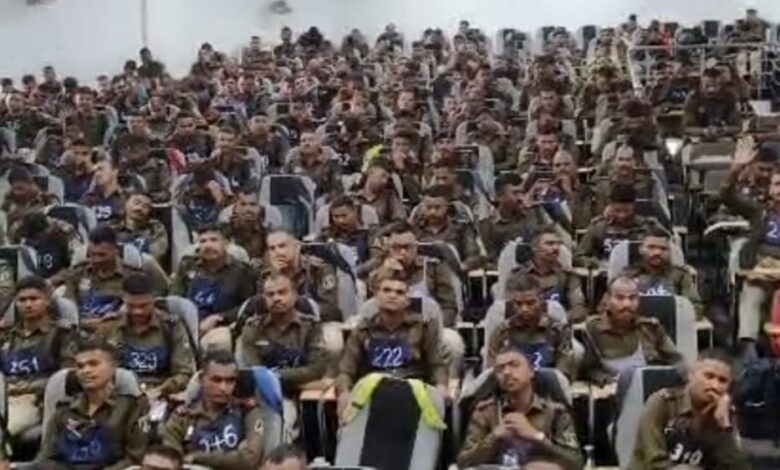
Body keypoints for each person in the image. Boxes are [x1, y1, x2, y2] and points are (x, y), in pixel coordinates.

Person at [337, 268, 448, 417]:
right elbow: (346, 370)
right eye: (386, 290)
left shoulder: (424, 328)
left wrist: (441, 386)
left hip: (413, 396)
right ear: (376, 297)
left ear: (407, 301)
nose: (392, 295)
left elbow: (437, 365)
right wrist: (344, 392)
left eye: (399, 292)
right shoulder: (363, 330)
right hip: (372, 397)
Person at [32, 339, 150, 470]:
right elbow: (46, 456)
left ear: (113, 366)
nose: (86, 371)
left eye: (93, 364)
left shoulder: (132, 406)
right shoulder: (64, 409)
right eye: (80, 366)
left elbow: (134, 458)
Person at [457, 348, 582, 469]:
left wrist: (537, 437)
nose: (506, 372)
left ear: (531, 371)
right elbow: (463, 462)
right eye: (500, 369)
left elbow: (576, 463)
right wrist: (494, 437)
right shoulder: (485, 412)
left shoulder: (556, 413)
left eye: (514, 365)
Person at [628, 349, 750, 470]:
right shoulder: (662, 403)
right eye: (709, 376)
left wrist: (723, 427)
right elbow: (656, 462)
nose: (715, 386)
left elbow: (737, 466)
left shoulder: (724, 411)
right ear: (691, 375)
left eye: (722, 380)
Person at [721, 136, 780, 357]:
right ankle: (748, 349)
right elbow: (726, 196)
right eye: (777, 184)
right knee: (751, 292)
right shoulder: (759, 210)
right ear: (770, 188)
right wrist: (736, 169)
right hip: (760, 270)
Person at [161, 350, 265, 470]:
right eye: (216, 380)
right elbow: (172, 460)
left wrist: (197, 457)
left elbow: (249, 460)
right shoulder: (183, 414)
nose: (223, 388)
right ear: (202, 379)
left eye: (230, 380)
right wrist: (234, 457)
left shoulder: (247, 411)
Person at [2, 276, 76, 438]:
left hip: (35, 400)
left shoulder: (62, 334)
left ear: (47, 301)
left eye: (34, 299)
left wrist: (30, 387)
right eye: (22, 300)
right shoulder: (6, 336)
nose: (28, 304)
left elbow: (67, 376)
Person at [104, 273, 195, 399]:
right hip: (120, 392)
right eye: (131, 306)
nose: (138, 311)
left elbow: (184, 372)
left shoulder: (171, 327)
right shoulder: (111, 326)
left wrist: (161, 390)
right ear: (123, 301)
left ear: (153, 300)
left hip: (161, 390)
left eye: (144, 305)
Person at [582, 275, 683, 385]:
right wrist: (604, 380)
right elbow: (587, 369)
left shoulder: (650, 328)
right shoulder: (593, 329)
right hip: (608, 390)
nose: (627, 304)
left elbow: (678, 360)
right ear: (607, 300)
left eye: (632, 298)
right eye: (620, 298)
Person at [172, 224, 257, 351]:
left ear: (226, 243)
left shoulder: (242, 271)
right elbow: (175, 299)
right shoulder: (187, 265)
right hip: (187, 325)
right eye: (203, 241)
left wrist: (220, 318)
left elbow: (249, 305)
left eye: (214, 240)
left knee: (219, 341)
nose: (208, 245)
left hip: (221, 327)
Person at [52, 225, 160, 324]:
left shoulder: (132, 277)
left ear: (115, 251)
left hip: (113, 329)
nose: (96, 260)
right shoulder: (79, 272)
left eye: (102, 255)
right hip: (78, 327)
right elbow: (65, 300)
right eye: (92, 254)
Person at [487, 276, 575, 379]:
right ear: (512, 304)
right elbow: (494, 370)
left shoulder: (558, 331)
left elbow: (563, 373)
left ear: (541, 300)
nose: (524, 309)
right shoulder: (502, 332)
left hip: (550, 384)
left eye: (530, 303)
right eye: (518, 304)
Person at [506, 227, 588, 323]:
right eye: (549, 244)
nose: (555, 248)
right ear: (534, 247)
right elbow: (508, 307)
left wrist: (560, 319)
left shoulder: (568, 276)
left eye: (558, 244)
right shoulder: (518, 275)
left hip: (558, 326)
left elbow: (578, 308)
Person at [575, 184, 666, 267]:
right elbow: (579, 256)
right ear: (610, 206)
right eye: (617, 211)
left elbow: (663, 252)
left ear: (634, 206)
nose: (622, 215)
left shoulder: (648, 227)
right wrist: (595, 263)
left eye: (627, 211)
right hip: (604, 272)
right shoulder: (599, 227)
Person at [619, 229, 703, 317]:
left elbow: (695, 307)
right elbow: (614, 305)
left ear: (669, 251)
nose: (657, 252)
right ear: (641, 249)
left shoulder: (681, 275)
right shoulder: (627, 275)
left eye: (663, 249)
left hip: (671, 322)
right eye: (651, 247)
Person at [413, 185, 486, 272]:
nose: (433, 212)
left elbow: (474, 256)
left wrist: (461, 267)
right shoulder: (413, 230)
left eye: (437, 207)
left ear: (447, 206)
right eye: (428, 207)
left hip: (453, 274)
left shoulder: (462, 229)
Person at [479, 173, 547, 264]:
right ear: (499, 196)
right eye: (515, 193)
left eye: (522, 193)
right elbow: (491, 259)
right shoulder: (488, 225)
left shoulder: (534, 214)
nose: (520, 198)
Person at [2, 165, 58, 242]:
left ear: (31, 184)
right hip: (16, 240)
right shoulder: (9, 201)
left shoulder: (47, 199)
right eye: (15, 189)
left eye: (20, 188)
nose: (18, 193)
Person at [317, 195, 373, 267]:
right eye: (336, 216)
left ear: (354, 212)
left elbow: (376, 258)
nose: (340, 221)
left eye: (344, 215)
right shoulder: (325, 236)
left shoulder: (370, 233)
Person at [683, 68, 740, 139]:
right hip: (699, 138)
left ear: (721, 85)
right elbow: (686, 127)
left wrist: (723, 130)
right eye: (707, 86)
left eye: (715, 86)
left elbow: (737, 126)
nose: (711, 89)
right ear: (701, 84)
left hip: (724, 138)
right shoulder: (693, 98)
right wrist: (703, 131)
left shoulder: (729, 97)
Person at [116, 192, 169, 264]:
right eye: (137, 203)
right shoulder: (112, 227)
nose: (140, 208)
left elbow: (155, 257)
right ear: (126, 203)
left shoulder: (155, 228)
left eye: (146, 206)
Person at [222, 186, 268, 263]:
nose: (248, 209)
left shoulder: (267, 234)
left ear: (260, 208)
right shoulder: (224, 232)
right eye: (243, 204)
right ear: (235, 208)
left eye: (253, 204)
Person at [80, 157, 127, 225]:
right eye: (94, 172)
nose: (97, 174)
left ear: (114, 171)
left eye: (101, 169)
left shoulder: (126, 197)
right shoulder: (88, 198)